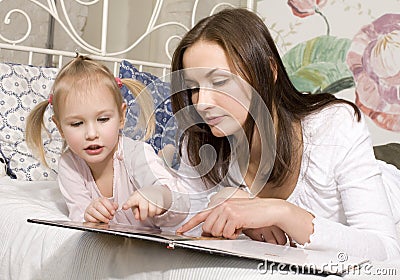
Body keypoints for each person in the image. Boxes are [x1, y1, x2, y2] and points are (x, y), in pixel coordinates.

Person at [169, 8, 400, 261]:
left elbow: (385, 252)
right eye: (193, 88)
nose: (201, 103)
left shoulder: (335, 127)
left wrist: (280, 212)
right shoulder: (200, 141)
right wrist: (223, 198)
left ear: (268, 71)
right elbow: (181, 224)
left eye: (220, 82)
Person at [26, 55, 188, 229]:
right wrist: (89, 214)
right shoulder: (70, 164)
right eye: (77, 123)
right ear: (60, 128)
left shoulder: (137, 154)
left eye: (103, 119)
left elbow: (181, 206)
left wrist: (161, 195)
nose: (91, 134)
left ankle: (165, 157)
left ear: (121, 117)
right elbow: (78, 216)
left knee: (161, 172)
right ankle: (165, 157)